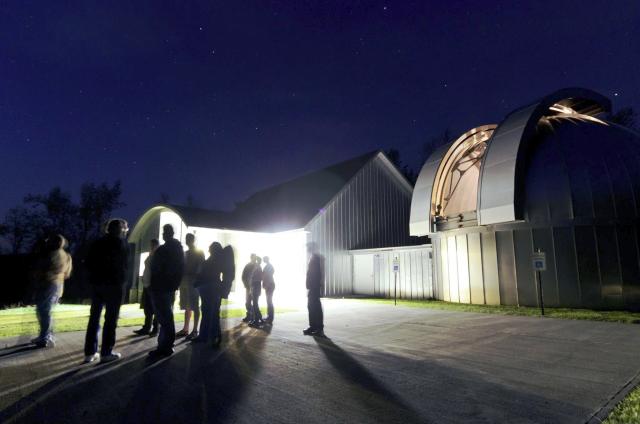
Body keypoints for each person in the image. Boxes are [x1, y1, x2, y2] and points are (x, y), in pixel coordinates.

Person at [84, 219, 129, 363]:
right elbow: (123, 266)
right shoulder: (121, 244)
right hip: (114, 285)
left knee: (94, 318)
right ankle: (106, 352)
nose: (125, 232)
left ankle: (90, 352)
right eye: (125, 229)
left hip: (97, 284)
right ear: (120, 229)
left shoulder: (97, 243)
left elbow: (89, 262)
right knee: (111, 319)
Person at [148, 224, 184, 358]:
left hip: (160, 286)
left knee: (164, 317)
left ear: (167, 234)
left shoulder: (164, 250)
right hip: (170, 287)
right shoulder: (178, 249)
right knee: (167, 316)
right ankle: (166, 345)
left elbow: (156, 268)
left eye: (164, 232)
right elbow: (180, 268)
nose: (163, 235)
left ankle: (165, 346)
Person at [31, 234, 73, 348]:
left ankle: (45, 337)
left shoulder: (52, 254)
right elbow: (67, 274)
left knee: (44, 311)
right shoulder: (67, 256)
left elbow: (42, 267)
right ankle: (46, 335)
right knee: (46, 311)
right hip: (57, 285)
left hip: (48, 284)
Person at [193, 242, 224, 346]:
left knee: (207, 312)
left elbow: (203, 274)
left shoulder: (211, 261)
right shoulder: (219, 261)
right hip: (215, 288)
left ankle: (204, 336)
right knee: (214, 313)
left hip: (208, 288)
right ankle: (215, 335)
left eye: (210, 248)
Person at [176, 233, 205, 340]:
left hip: (193, 282)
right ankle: (185, 328)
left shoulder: (199, 252)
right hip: (184, 281)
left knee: (195, 305)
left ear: (193, 240)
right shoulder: (186, 253)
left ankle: (195, 330)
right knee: (187, 306)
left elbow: (201, 267)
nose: (187, 241)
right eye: (186, 239)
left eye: (189, 239)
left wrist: (193, 274)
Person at [134, 239, 159, 336]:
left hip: (153, 285)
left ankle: (155, 328)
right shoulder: (150, 254)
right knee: (147, 308)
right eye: (151, 245)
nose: (151, 247)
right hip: (147, 284)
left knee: (155, 307)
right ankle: (146, 327)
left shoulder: (157, 256)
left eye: (153, 245)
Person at [303, 242, 325, 336]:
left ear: (312, 247)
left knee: (316, 307)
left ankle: (319, 328)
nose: (307, 249)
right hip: (312, 286)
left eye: (308, 247)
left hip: (315, 286)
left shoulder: (317, 258)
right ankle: (312, 326)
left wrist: (319, 285)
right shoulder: (313, 257)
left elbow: (319, 273)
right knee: (310, 306)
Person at [240, 254, 257, 322]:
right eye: (253, 258)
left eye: (255, 258)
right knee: (248, 302)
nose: (254, 259)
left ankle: (253, 317)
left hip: (254, 287)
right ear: (251, 258)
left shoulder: (257, 266)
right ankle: (249, 316)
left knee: (254, 302)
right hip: (248, 286)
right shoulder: (248, 265)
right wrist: (246, 285)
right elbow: (243, 276)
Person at [249, 256, 264, 327]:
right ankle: (258, 319)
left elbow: (257, 278)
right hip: (256, 285)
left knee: (255, 303)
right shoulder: (258, 267)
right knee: (255, 303)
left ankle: (256, 320)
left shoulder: (257, 267)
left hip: (256, 285)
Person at [262, 256, 275, 324]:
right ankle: (269, 317)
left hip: (269, 285)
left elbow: (268, 276)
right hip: (270, 285)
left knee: (269, 301)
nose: (263, 260)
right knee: (269, 301)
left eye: (264, 259)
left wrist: (267, 284)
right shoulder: (268, 266)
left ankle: (270, 317)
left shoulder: (268, 266)